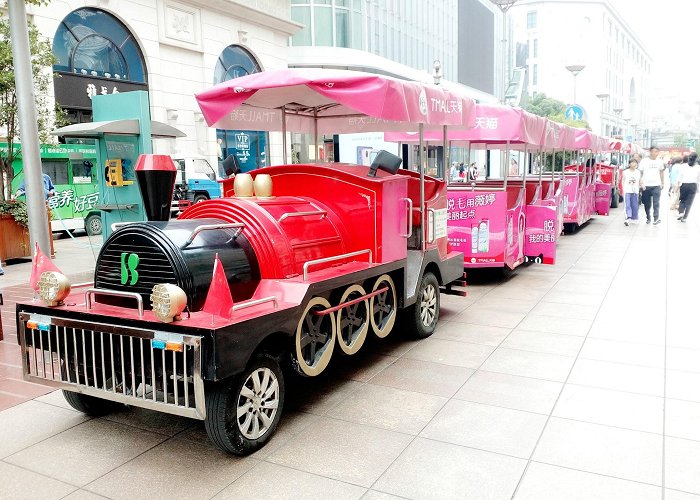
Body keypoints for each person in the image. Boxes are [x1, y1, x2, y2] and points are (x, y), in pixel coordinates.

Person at [638, 146, 665, 224]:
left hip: (656, 185)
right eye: (654, 151)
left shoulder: (660, 161)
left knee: (656, 202)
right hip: (646, 185)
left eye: (657, 152)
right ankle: (648, 217)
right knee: (647, 203)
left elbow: (661, 172)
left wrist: (662, 183)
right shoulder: (644, 161)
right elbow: (640, 172)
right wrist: (640, 183)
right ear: (650, 152)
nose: (655, 153)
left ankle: (656, 218)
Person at [676, 152, 700, 222]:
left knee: (682, 200)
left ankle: (681, 212)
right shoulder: (698, 167)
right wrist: (698, 187)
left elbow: (679, 177)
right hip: (693, 186)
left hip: (684, 185)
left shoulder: (683, 166)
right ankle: (685, 217)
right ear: (696, 159)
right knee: (689, 203)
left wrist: (677, 186)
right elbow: (698, 179)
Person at [621, 159, 641, 226]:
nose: (634, 164)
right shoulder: (625, 172)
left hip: (635, 191)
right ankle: (628, 217)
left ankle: (634, 218)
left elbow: (640, 180)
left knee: (635, 205)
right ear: (629, 164)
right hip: (627, 190)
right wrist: (622, 189)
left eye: (635, 163)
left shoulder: (638, 172)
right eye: (632, 163)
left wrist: (642, 185)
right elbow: (623, 180)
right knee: (628, 204)